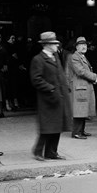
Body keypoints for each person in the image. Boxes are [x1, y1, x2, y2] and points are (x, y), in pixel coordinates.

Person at [30, 31, 71, 161]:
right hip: (47, 99)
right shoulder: (38, 59)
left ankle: (51, 152)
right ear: (47, 45)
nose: (57, 46)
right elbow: (36, 79)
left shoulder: (55, 57)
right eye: (54, 44)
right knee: (47, 127)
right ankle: (38, 151)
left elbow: (60, 75)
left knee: (57, 126)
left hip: (59, 97)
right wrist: (51, 89)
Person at [66, 37, 97, 139]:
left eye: (85, 44)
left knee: (83, 110)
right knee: (79, 110)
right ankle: (76, 132)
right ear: (76, 47)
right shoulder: (75, 57)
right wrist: (94, 77)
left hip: (82, 87)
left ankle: (81, 131)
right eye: (81, 45)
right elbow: (81, 71)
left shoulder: (81, 56)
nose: (84, 46)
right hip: (79, 87)